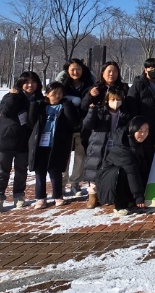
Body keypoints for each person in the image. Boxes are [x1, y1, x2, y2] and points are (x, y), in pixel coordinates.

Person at [0, 71, 43, 213]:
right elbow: (5, 112)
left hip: (25, 141)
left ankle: (18, 196)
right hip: (6, 140)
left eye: (33, 82)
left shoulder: (39, 100)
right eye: (26, 82)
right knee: (2, 170)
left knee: (21, 170)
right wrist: (13, 96)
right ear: (20, 83)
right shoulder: (11, 96)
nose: (30, 85)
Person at [27, 82, 80, 209]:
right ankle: (41, 198)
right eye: (54, 93)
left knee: (55, 172)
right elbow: (31, 122)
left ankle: (58, 196)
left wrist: (67, 105)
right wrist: (34, 104)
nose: (57, 96)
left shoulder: (64, 106)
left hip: (57, 145)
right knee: (40, 173)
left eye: (60, 93)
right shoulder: (41, 106)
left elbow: (73, 122)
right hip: (40, 145)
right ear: (47, 94)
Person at [81, 88, 130, 209]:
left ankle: (107, 194)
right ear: (107, 100)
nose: (116, 102)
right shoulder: (100, 111)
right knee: (95, 169)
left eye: (118, 99)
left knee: (110, 171)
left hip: (115, 145)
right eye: (112, 99)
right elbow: (88, 124)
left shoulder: (124, 114)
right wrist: (91, 111)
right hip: (99, 144)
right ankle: (92, 195)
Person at [96, 116, 151, 215]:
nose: (143, 134)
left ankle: (131, 199)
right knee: (121, 172)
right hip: (109, 182)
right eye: (140, 131)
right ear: (132, 130)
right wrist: (139, 197)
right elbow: (132, 173)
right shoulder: (123, 147)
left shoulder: (139, 143)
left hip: (126, 177)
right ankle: (120, 205)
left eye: (146, 131)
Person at [57, 58, 94, 196]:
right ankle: (61, 184)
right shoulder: (62, 85)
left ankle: (75, 183)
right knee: (63, 156)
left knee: (80, 155)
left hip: (82, 125)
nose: (75, 72)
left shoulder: (88, 84)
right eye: (72, 69)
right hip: (65, 125)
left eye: (78, 69)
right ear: (67, 70)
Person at [127, 58, 155, 147]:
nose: (154, 71)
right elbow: (131, 103)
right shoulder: (139, 84)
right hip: (143, 123)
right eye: (151, 68)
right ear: (145, 70)